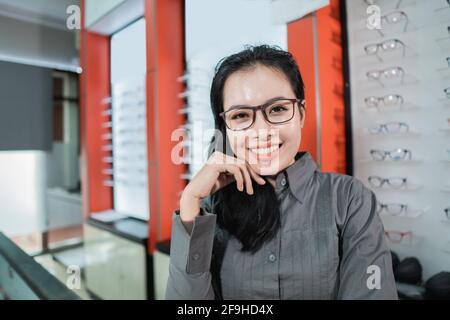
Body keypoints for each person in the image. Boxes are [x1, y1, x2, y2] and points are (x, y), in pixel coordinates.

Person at [165, 45, 398, 300]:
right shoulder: (210, 208)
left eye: (277, 109)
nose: (261, 130)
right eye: (241, 115)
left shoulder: (349, 199)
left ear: (300, 113)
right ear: (225, 128)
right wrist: (190, 202)